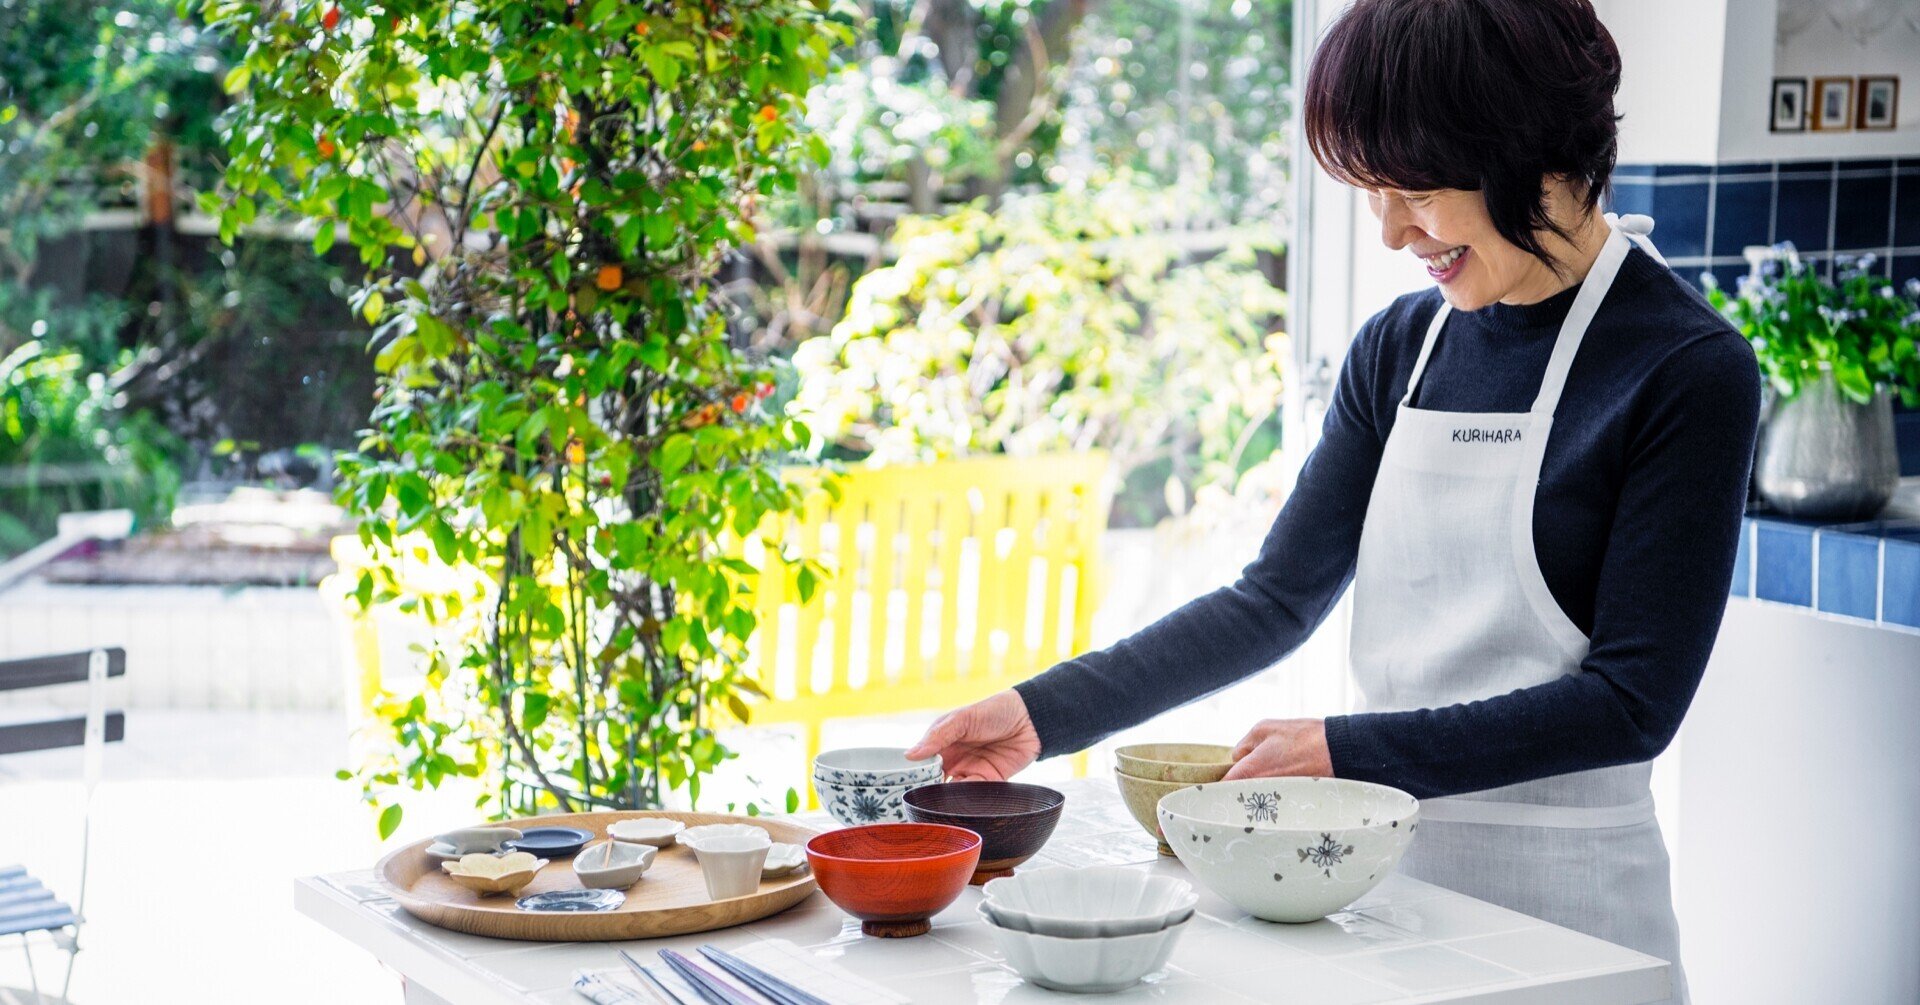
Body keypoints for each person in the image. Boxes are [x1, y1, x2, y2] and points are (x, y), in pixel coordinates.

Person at [906, 2, 1761, 1001]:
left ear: (1532, 152)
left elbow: (1632, 704)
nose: (1394, 231)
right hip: (1383, 904)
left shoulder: (1686, 369)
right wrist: (1039, 713)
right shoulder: (1402, 347)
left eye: (1418, 192)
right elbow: (1274, 598)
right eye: (1370, 193)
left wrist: (1342, 749)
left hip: (1577, 925)